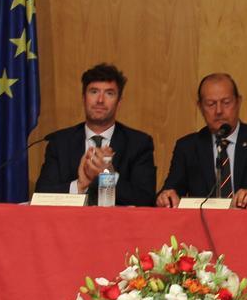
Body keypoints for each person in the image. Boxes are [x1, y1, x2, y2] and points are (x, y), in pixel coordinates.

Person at [34, 63, 156, 206]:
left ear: (119, 102)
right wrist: (80, 186)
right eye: (94, 92)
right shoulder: (60, 142)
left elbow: (146, 199)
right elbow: (41, 195)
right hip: (70, 225)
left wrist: (108, 177)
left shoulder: (138, 143)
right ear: (83, 97)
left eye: (109, 93)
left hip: (118, 226)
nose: (100, 100)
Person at [157, 73, 247, 209]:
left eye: (226, 102)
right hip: (201, 226)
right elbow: (170, 192)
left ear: (238, 102)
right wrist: (166, 197)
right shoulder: (188, 147)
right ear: (200, 107)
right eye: (210, 104)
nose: (219, 111)